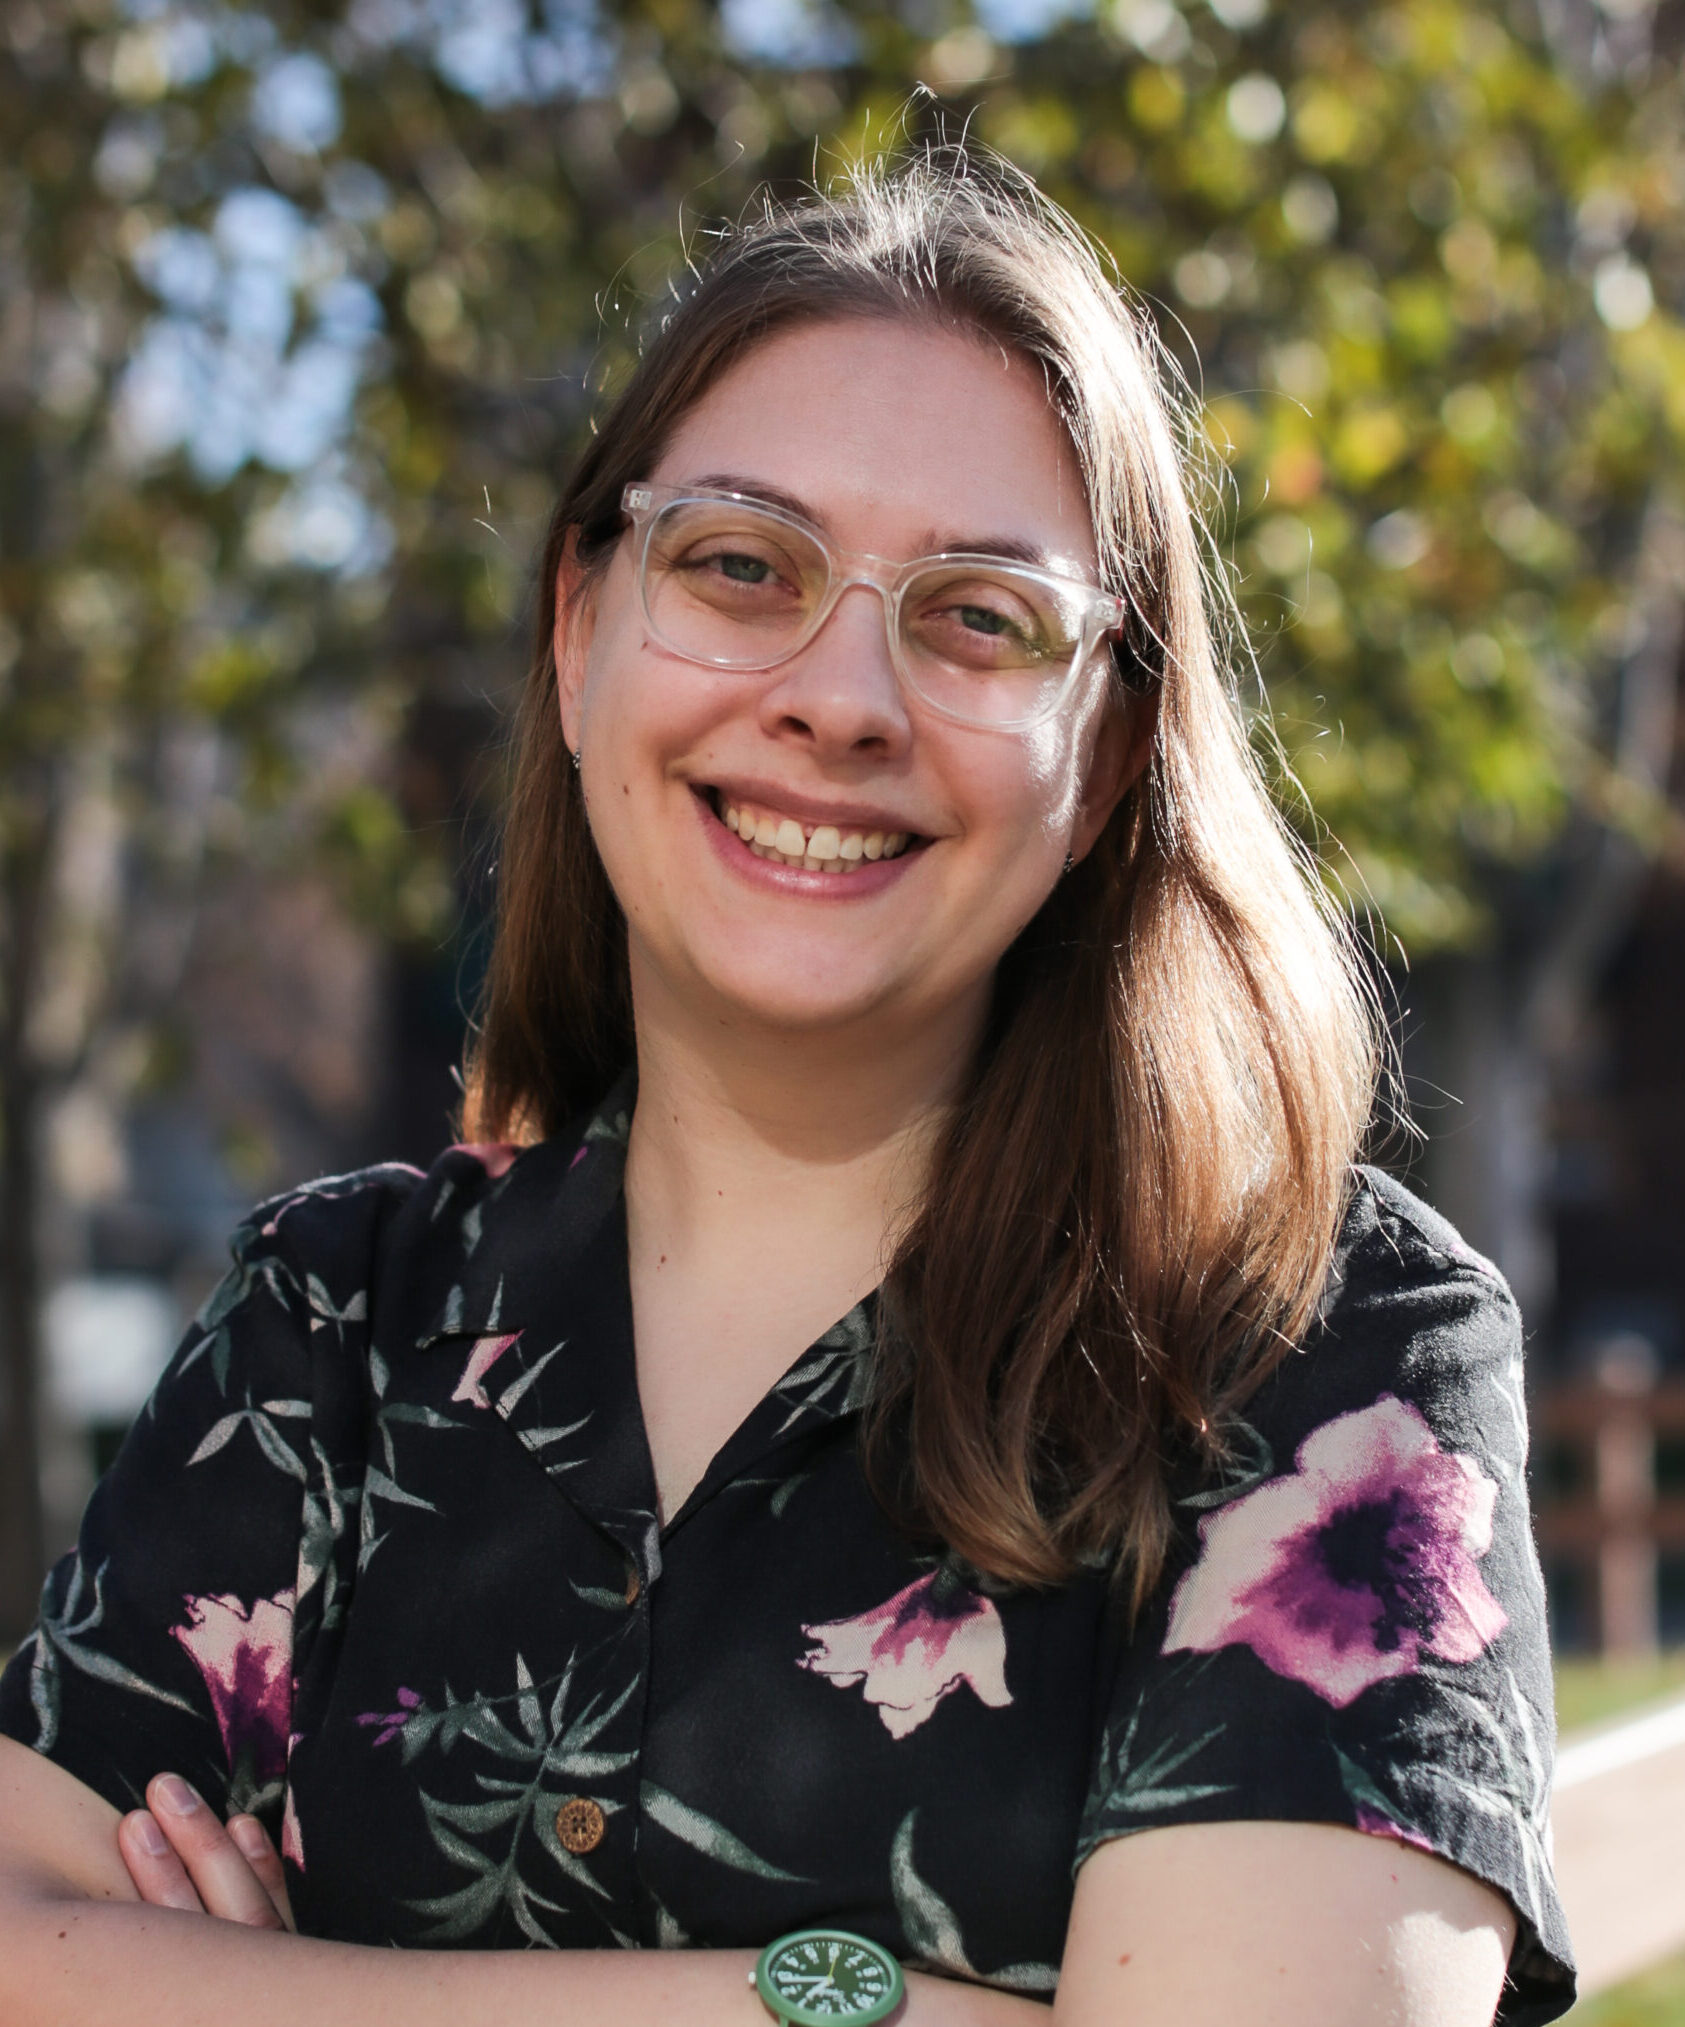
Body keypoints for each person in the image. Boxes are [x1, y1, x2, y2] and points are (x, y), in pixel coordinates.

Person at [0, 141, 1573, 2027]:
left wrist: (230, 1997)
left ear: (1105, 756)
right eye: (741, 566)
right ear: (578, 633)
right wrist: (833, 2006)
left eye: (979, 614)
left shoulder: (1316, 1352)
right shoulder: (329, 1323)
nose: (840, 698)